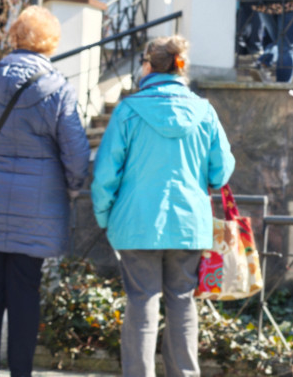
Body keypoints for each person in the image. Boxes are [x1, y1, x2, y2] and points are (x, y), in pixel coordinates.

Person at [0, 5, 90, 377]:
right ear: (51, 42)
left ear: (15, 37)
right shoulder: (58, 87)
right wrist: (73, 188)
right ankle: (21, 371)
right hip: (39, 205)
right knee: (25, 292)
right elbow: (75, 151)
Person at [91, 35, 235, 377]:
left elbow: (105, 173)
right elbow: (221, 171)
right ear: (179, 67)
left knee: (142, 300)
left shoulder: (128, 111)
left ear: (147, 66)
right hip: (189, 224)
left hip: (136, 223)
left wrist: (104, 216)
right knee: (182, 301)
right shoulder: (204, 111)